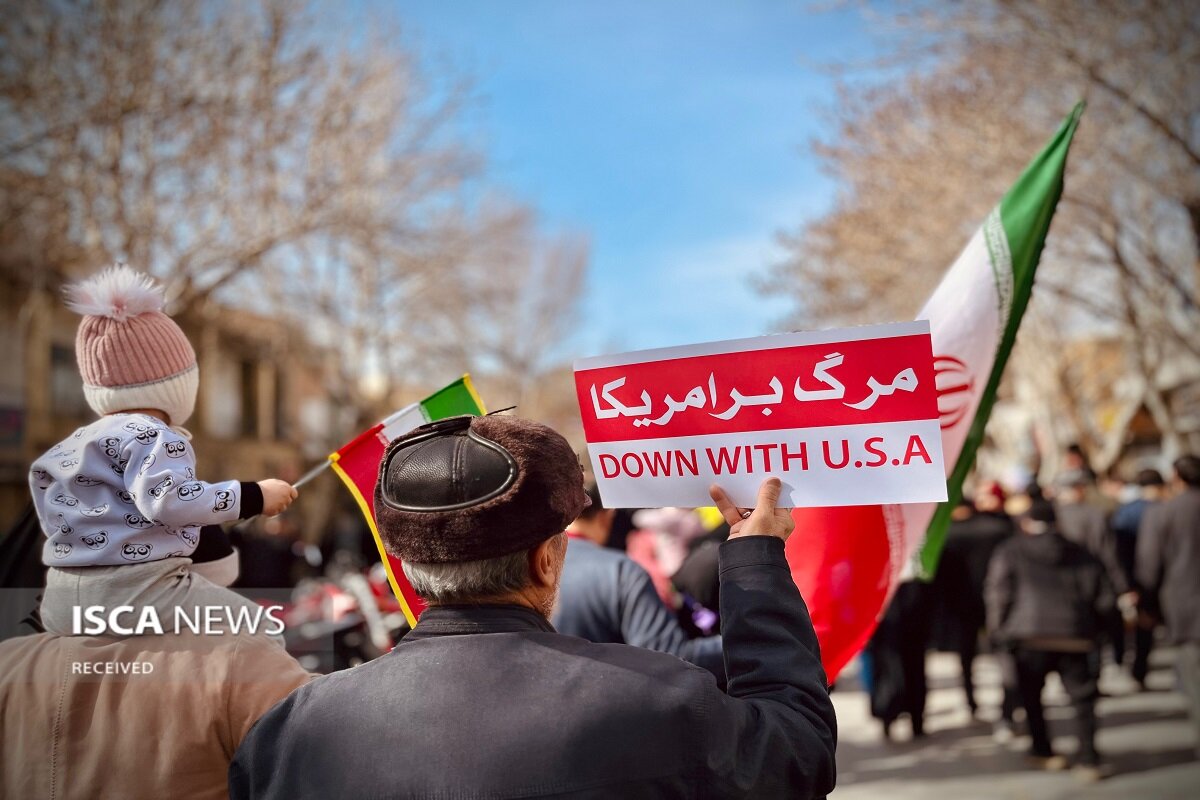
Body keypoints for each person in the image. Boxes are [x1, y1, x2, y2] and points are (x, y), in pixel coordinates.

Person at [230, 415, 837, 799]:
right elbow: (800, 753)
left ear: (410, 571)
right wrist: (756, 560)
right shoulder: (660, 701)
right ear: (547, 560)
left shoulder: (288, 736)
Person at [0, 265, 311, 799]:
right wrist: (256, 494)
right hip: (143, 587)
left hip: (64, 598)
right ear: (178, 384)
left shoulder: (70, 446)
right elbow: (169, 501)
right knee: (253, 623)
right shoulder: (157, 436)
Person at [986, 499, 1117, 781]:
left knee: (1032, 699)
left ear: (1026, 522)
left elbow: (999, 594)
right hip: (1076, 635)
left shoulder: (1011, 551)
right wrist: (1103, 632)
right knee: (1082, 701)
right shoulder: (1080, 552)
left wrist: (998, 631)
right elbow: (1103, 595)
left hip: (1028, 637)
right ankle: (1088, 759)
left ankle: (1043, 751)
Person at [553, 484, 725, 679]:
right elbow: (668, 658)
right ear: (606, 517)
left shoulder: (536, 566)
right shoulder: (620, 571)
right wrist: (748, 637)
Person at [930, 483, 1014, 720]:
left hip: (960, 604)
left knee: (966, 656)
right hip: (995, 599)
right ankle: (1007, 705)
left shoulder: (946, 535)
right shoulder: (998, 529)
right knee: (1002, 654)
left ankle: (971, 700)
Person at [1136, 454, 1200, 757]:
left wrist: (1146, 605)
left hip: (1186, 610)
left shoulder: (1162, 513)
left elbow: (1149, 563)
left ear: (1177, 478)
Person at [1111, 468, 1165, 686]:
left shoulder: (1125, 512)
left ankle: (1139, 670)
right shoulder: (1166, 509)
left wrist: (1127, 584)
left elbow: (1119, 550)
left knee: (1144, 625)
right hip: (1168, 577)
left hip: (1138, 576)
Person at [865, 580, 932, 740]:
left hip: (907, 626)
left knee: (910, 675)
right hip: (889, 630)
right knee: (892, 677)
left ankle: (914, 721)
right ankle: (891, 720)